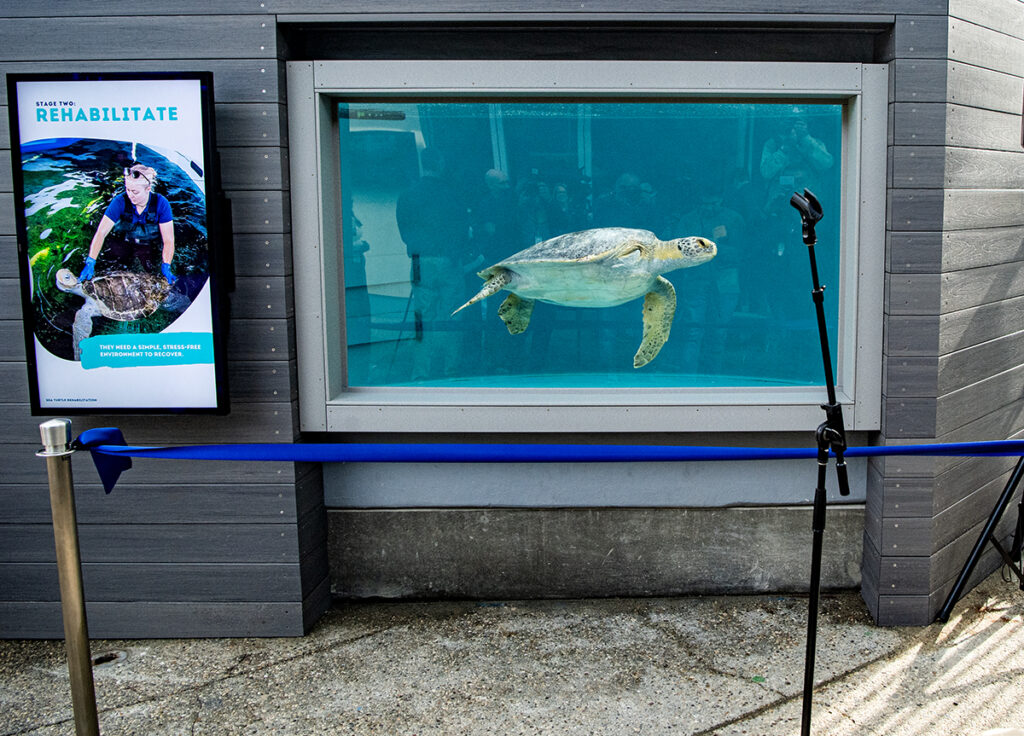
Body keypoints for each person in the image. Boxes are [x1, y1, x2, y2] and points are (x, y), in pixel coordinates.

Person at [79, 163, 176, 284]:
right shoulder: (120, 201)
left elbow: (168, 240)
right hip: (123, 240)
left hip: (148, 243)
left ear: (148, 189)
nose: (130, 195)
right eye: (128, 189)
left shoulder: (161, 204)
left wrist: (166, 264)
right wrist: (91, 260)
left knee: (150, 271)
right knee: (111, 266)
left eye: (135, 192)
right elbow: (101, 233)